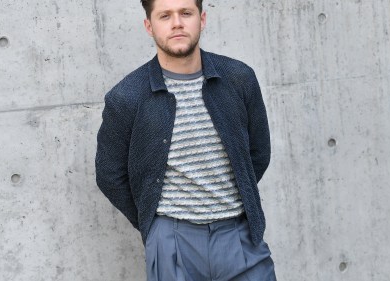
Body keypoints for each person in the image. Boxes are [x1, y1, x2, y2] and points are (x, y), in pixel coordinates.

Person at [95, 0, 277, 280]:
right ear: (149, 26)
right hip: (172, 241)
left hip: (240, 236)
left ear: (201, 19)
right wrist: (153, 225)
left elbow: (258, 153)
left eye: (186, 13)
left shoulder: (239, 78)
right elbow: (110, 175)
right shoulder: (127, 97)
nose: (177, 22)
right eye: (165, 15)